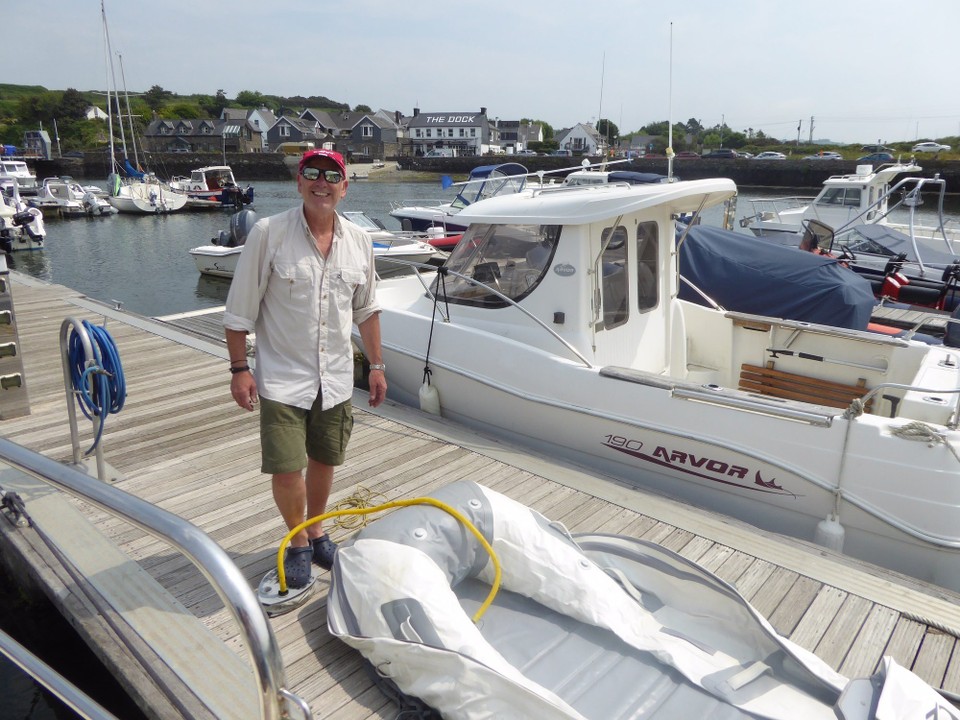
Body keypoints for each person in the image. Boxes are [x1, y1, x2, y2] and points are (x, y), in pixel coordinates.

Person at [223, 149, 387, 588]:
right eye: (312, 174)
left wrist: (376, 366)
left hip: (334, 376)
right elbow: (239, 310)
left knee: (324, 458)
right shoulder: (268, 233)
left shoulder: (360, 241)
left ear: (345, 187)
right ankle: (297, 542)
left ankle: (316, 532)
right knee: (286, 465)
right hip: (281, 376)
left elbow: (367, 310)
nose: (322, 183)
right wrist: (240, 368)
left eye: (332, 176)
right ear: (299, 183)